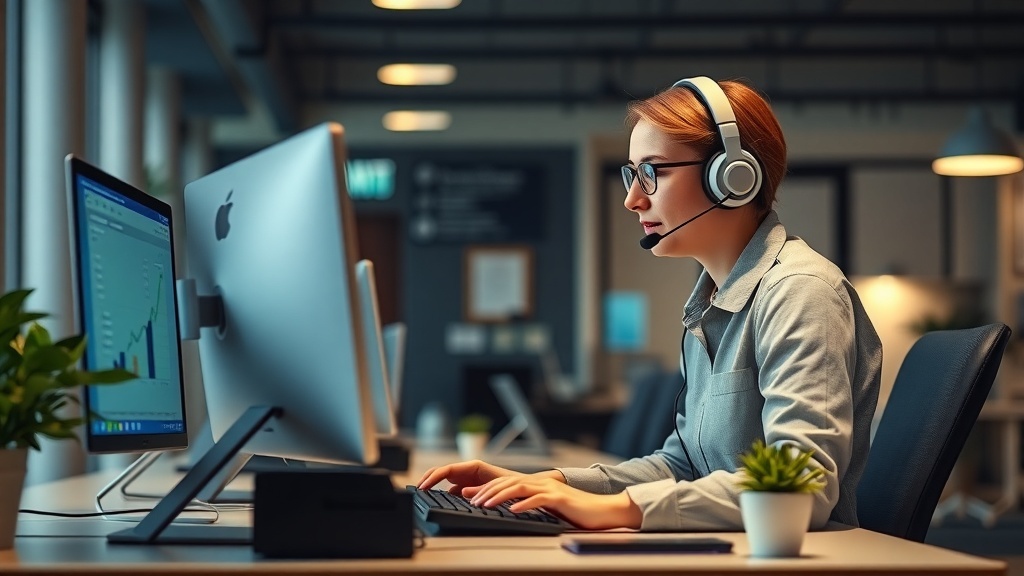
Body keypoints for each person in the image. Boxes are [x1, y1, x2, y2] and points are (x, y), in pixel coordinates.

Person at [417, 76, 882, 532]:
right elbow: (681, 465)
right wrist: (554, 483)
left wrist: (620, 510)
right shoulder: (708, 307)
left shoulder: (800, 292)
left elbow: (801, 486)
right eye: (632, 174)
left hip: (793, 562)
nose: (632, 199)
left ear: (731, 176)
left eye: (652, 172)